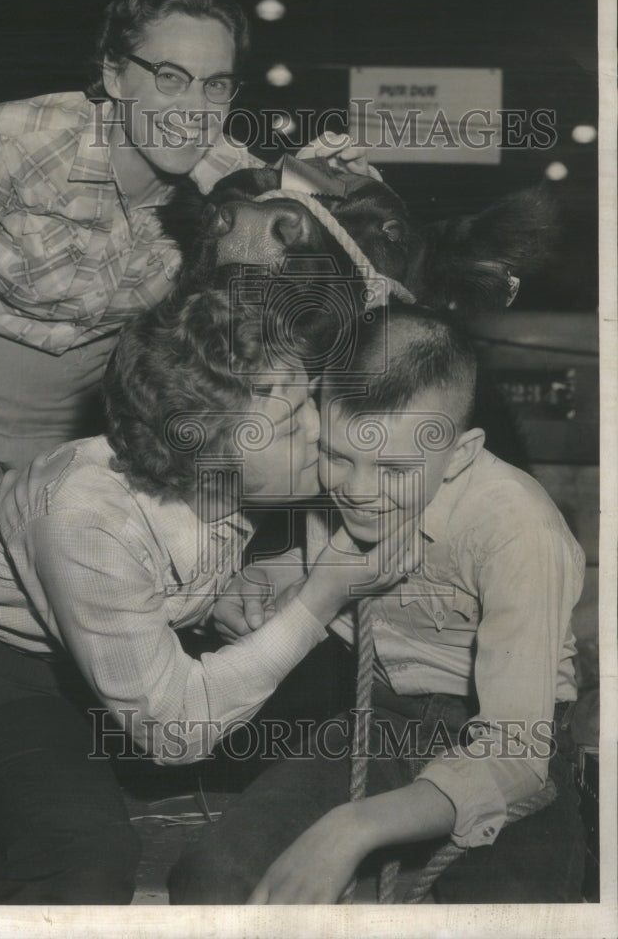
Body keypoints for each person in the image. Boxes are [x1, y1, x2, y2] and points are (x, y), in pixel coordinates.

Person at [0, 289, 416, 904]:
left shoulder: (224, 477)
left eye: (310, 402)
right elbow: (173, 731)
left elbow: (160, 566)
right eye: (290, 423)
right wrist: (318, 600)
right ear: (206, 455)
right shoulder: (83, 510)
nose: (321, 433)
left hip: (34, 676)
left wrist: (215, 597)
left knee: (89, 871)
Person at [0, 0, 372, 576]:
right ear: (112, 73)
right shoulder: (9, 140)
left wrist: (351, 187)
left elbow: (348, 260)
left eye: (215, 84)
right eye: (169, 76)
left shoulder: (233, 184)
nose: (194, 110)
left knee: (35, 626)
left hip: (73, 425)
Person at [169, 303, 587, 904]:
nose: (358, 494)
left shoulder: (519, 529)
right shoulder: (342, 479)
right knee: (216, 877)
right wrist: (254, 582)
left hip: (511, 742)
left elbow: (516, 754)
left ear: (461, 454)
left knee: (509, 913)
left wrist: (350, 829)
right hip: (379, 726)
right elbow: (323, 564)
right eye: (338, 456)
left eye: (393, 468)